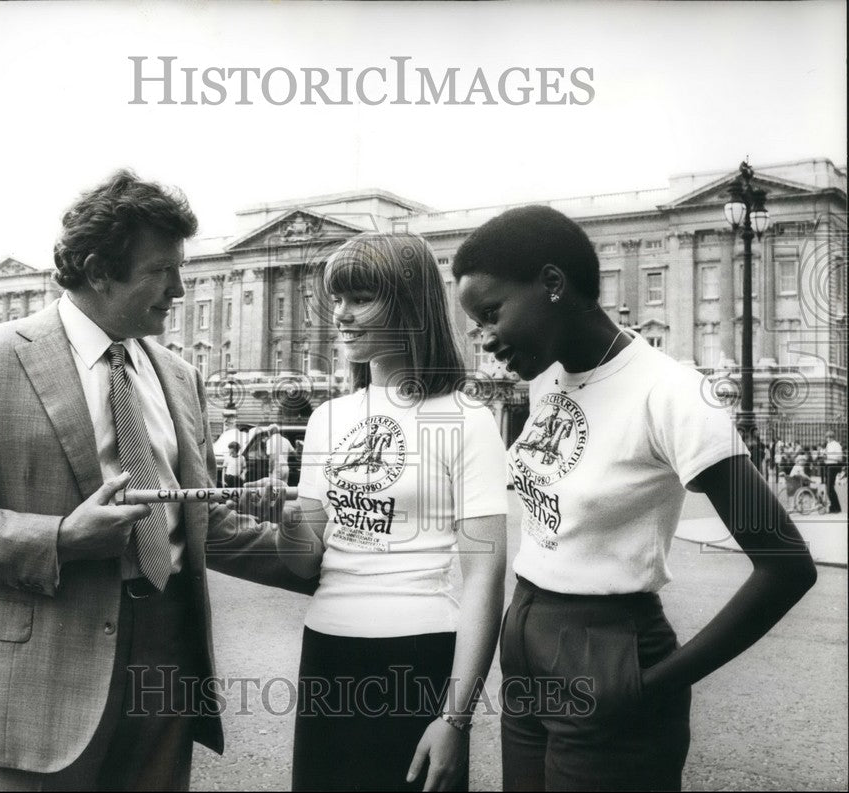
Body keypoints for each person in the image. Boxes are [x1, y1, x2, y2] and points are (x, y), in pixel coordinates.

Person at [0, 170, 315, 792]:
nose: (179, 287)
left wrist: (325, 560)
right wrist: (61, 537)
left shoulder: (177, 374)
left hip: (168, 656)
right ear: (97, 270)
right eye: (161, 271)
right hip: (40, 674)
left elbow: (197, 522)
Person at [452, 205, 817, 791]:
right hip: (524, 644)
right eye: (476, 323)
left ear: (552, 284)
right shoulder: (549, 378)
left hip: (609, 651)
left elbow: (786, 564)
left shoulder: (672, 394)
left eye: (491, 314)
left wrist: (655, 686)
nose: (485, 338)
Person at [265, 233, 508, 791]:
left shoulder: (467, 420)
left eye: (360, 299)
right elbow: (304, 563)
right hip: (326, 650)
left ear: (409, 303)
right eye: (338, 299)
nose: (341, 315)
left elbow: (483, 581)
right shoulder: (328, 418)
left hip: (417, 654)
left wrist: (456, 716)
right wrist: (284, 518)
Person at [824, 430, 844, 513]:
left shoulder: (837, 445)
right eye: (827, 437)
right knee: (828, 487)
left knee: (830, 487)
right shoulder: (828, 445)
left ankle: (836, 507)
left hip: (833, 466)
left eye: (829, 437)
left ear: (832, 437)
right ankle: (834, 506)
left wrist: (829, 457)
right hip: (828, 466)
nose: (828, 439)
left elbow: (840, 458)